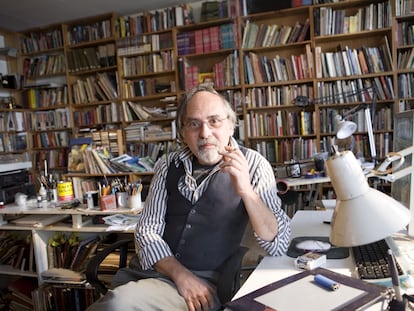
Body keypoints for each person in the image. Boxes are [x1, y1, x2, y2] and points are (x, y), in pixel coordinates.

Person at [87, 85, 291, 311]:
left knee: (118, 304)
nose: (204, 133)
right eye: (194, 124)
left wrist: (246, 190)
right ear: (183, 131)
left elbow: (278, 243)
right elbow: (147, 231)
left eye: (214, 121)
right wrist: (181, 275)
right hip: (152, 273)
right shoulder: (167, 164)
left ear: (231, 126)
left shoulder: (254, 165)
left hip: (207, 285)